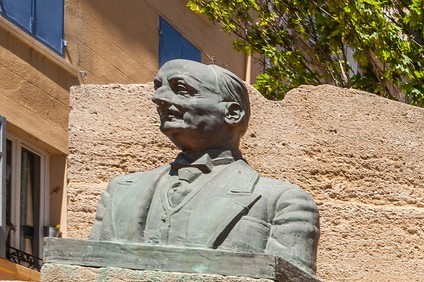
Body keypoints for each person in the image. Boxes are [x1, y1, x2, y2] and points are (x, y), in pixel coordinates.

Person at [89, 60, 319, 271]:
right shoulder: (121, 191)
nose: (158, 98)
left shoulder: (283, 202)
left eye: (181, 89)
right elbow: (87, 268)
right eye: (158, 87)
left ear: (232, 113)